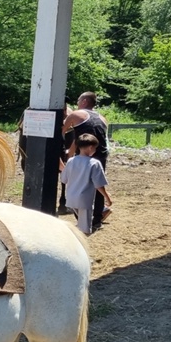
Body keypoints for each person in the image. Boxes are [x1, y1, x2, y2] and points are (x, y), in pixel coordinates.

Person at [64, 91, 110, 230]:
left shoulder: (76, 115)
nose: (77, 103)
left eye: (79, 100)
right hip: (100, 154)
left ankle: (82, 217)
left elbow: (62, 132)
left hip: (83, 155)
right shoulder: (102, 118)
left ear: (84, 101)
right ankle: (97, 218)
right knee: (98, 184)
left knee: (78, 183)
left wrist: (68, 155)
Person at [60, 133, 113, 235]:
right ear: (90, 147)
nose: (95, 150)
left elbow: (63, 179)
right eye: (95, 148)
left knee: (81, 223)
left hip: (71, 199)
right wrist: (107, 198)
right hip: (84, 201)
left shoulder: (71, 161)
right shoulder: (94, 163)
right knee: (85, 231)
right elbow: (99, 185)